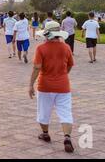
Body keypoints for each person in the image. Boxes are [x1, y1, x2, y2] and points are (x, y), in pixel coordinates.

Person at [30, 21, 75, 153]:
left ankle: (45, 133)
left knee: (44, 111)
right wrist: (63, 74)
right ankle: (67, 137)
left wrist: (30, 84)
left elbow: (37, 67)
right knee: (65, 112)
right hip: (63, 86)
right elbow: (70, 65)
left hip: (45, 85)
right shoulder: (66, 47)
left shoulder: (41, 48)